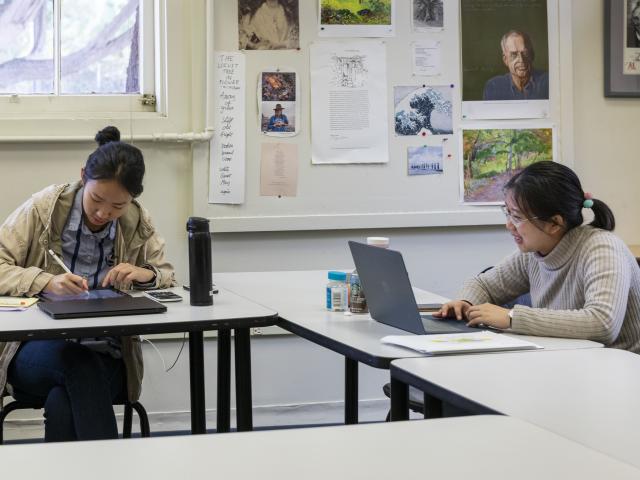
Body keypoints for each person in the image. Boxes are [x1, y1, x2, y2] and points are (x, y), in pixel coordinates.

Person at [0, 126, 175, 442]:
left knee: (64, 399)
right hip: (33, 353)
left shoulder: (136, 221)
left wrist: (145, 274)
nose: (103, 213)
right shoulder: (44, 209)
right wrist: (46, 281)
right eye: (96, 199)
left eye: (117, 207)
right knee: (78, 366)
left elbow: (167, 276)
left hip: (107, 355)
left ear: (132, 200)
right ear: (83, 176)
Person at [434, 161, 640, 353]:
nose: (509, 225)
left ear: (554, 223)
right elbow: (484, 285)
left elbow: (602, 323)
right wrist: (465, 302)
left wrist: (512, 317)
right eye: (507, 213)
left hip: (619, 370)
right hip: (571, 360)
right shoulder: (534, 252)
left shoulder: (602, 248)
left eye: (517, 217)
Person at [483, 30, 549, 101]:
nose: (521, 60)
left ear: (532, 55)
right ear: (505, 60)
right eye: (514, 55)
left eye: (525, 53)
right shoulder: (494, 87)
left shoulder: (548, 82)